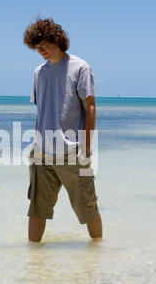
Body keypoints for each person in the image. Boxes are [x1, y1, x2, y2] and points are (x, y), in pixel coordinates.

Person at [23, 18, 103, 243]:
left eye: (44, 45)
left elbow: (91, 109)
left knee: (87, 207)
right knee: (36, 208)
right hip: (43, 154)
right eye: (36, 48)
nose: (41, 51)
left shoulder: (80, 68)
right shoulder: (39, 72)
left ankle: (97, 259)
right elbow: (42, 112)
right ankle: (33, 265)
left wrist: (86, 149)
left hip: (72, 152)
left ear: (56, 39)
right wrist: (35, 145)